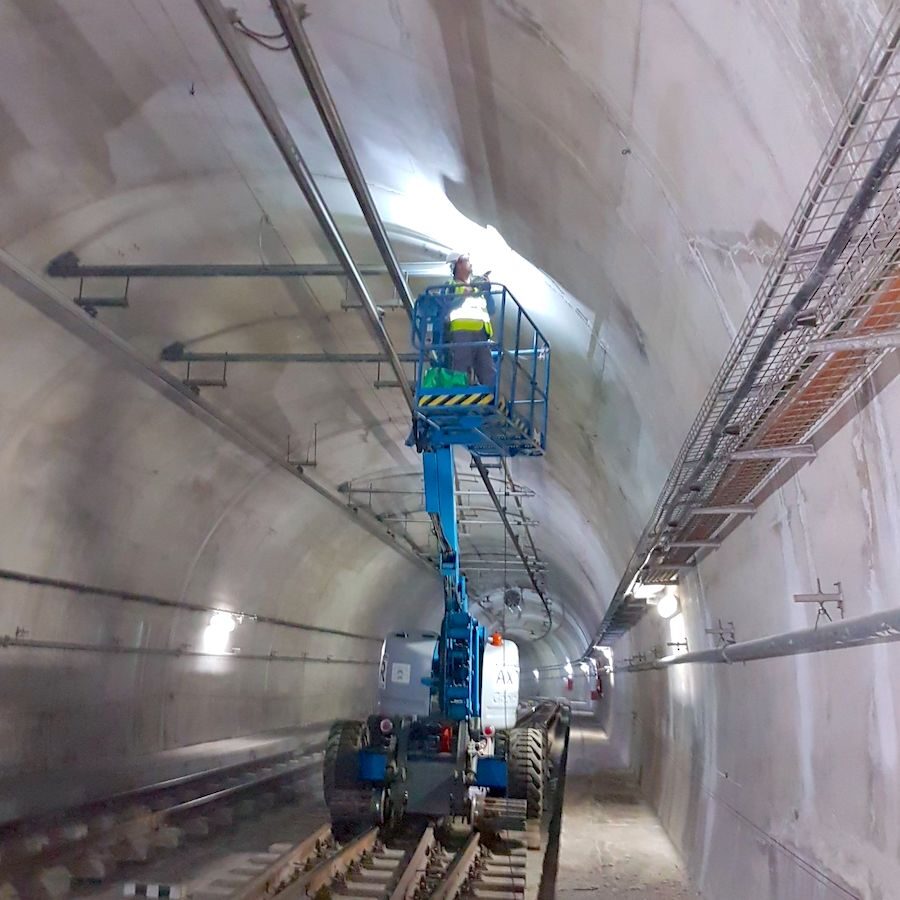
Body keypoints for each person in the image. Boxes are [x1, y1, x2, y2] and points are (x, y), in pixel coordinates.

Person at [445, 254, 496, 386]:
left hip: (481, 335)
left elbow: (491, 310)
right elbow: (445, 307)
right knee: (462, 369)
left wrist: (487, 291)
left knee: (488, 370)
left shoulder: (476, 289)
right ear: (459, 264)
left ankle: (492, 398)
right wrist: (462, 296)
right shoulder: (451, 286)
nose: (471, 264)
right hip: (462, 334)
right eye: (467, 261)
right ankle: (459, 395)